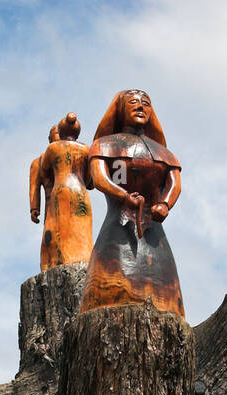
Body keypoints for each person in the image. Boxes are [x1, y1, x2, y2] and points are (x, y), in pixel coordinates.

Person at [78, 89, 184, 318]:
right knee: (111, 295)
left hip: (156, 237)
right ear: (120, 110)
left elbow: (174, 183)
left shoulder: (164, 153)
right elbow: (99, 178)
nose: (140, 106)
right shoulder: (104, 145)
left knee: (164, 302)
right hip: (116, 234)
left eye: (146, 103)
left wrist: (165, 204)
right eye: (133, 102)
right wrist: (123, 195)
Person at [30, 113, 93, 270]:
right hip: (54, 203)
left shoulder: (55, 151)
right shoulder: (39, 161)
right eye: (55, 134)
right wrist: (34, 207)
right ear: (50, 138)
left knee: (77, 232)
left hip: (65, 195)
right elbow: (34, 185)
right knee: (52, 239)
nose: (58, 138)